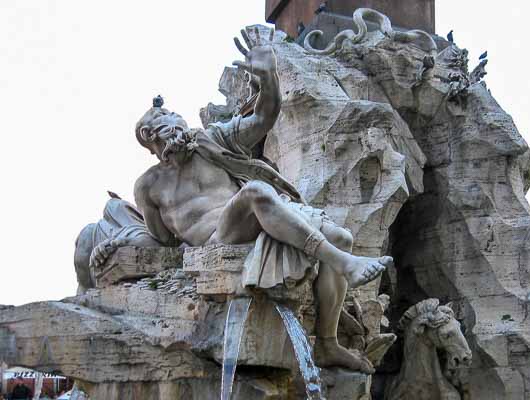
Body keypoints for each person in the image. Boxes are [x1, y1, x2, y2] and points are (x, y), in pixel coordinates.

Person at [90, 27, 393, 373]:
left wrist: (269, 78)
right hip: (216, 241)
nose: (174, 125)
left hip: (254, 220)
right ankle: (344, 262)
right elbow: (161, 240)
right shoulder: (148, 186)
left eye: (174, 119)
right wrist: (116, 243)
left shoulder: (212, 140)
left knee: (343, 236)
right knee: (254, 193)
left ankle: (327, 343)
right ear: (149, 139)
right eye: (162, 125)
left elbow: (264, 117)